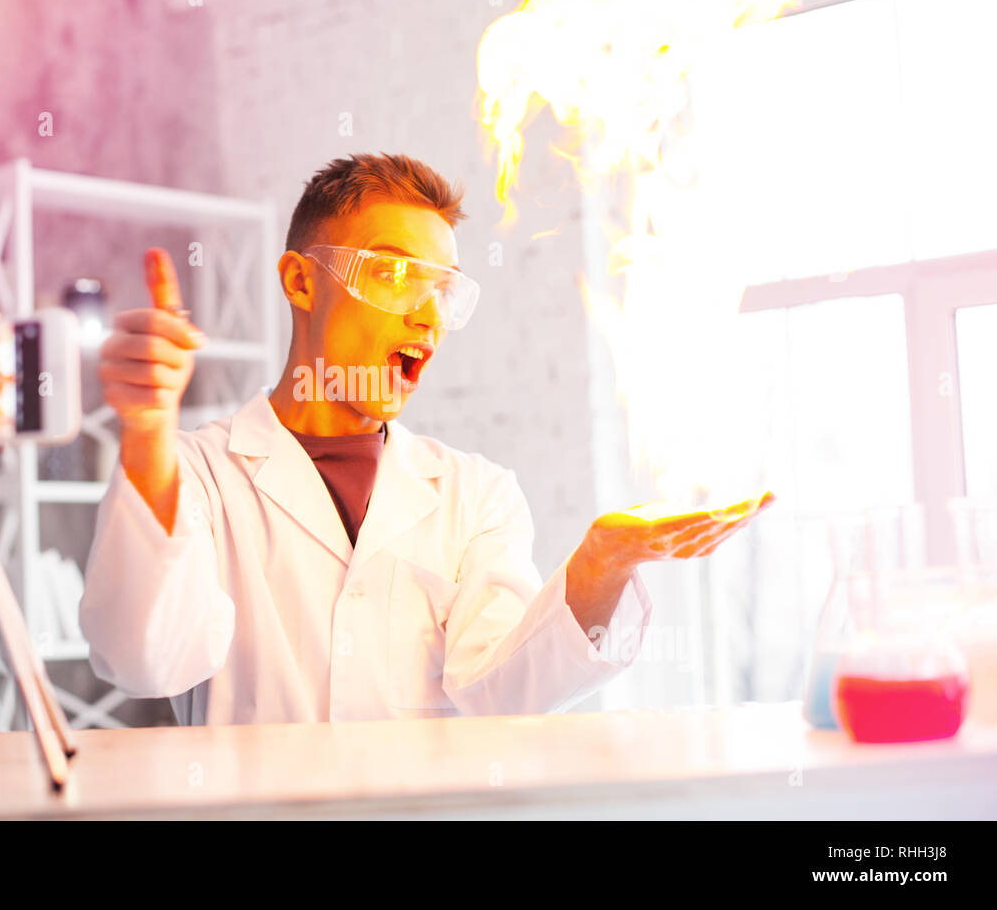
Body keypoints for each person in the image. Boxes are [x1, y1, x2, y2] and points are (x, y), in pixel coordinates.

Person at [81, 152, 774, 725]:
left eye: (442, 288)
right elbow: (145, 661)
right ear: (300, 280)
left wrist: (601, 565)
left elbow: (502, 690)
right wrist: (146, 434)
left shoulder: (474, 495)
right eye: (390, 273)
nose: (428, 315)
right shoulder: (198, 474)